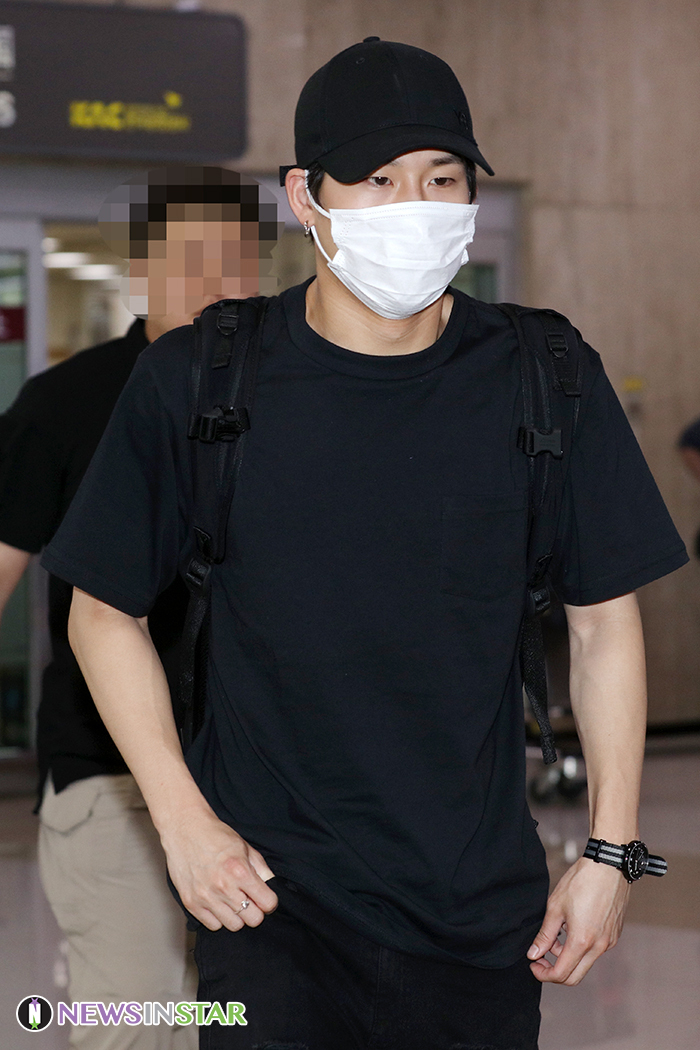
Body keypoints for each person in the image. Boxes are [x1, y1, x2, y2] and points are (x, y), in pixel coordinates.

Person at [43, 39, 687, 1050]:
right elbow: (101, 610)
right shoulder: (203, 379)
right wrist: (182, 821)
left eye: (441, 178)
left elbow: (604, 621)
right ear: (307, 197)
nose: (415, 205)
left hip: (477, 913)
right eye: (379, 180)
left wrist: (611, 853)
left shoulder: (545, 374)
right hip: (270, 907)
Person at [0, 166, 278, 1050]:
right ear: (142, 270)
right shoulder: (67, 403)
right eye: (190, 258)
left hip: (269, 778)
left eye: (236, 259)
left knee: (248, 1022)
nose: (216, 281)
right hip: (113, 781)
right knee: (140, 1021)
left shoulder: (293, 397)